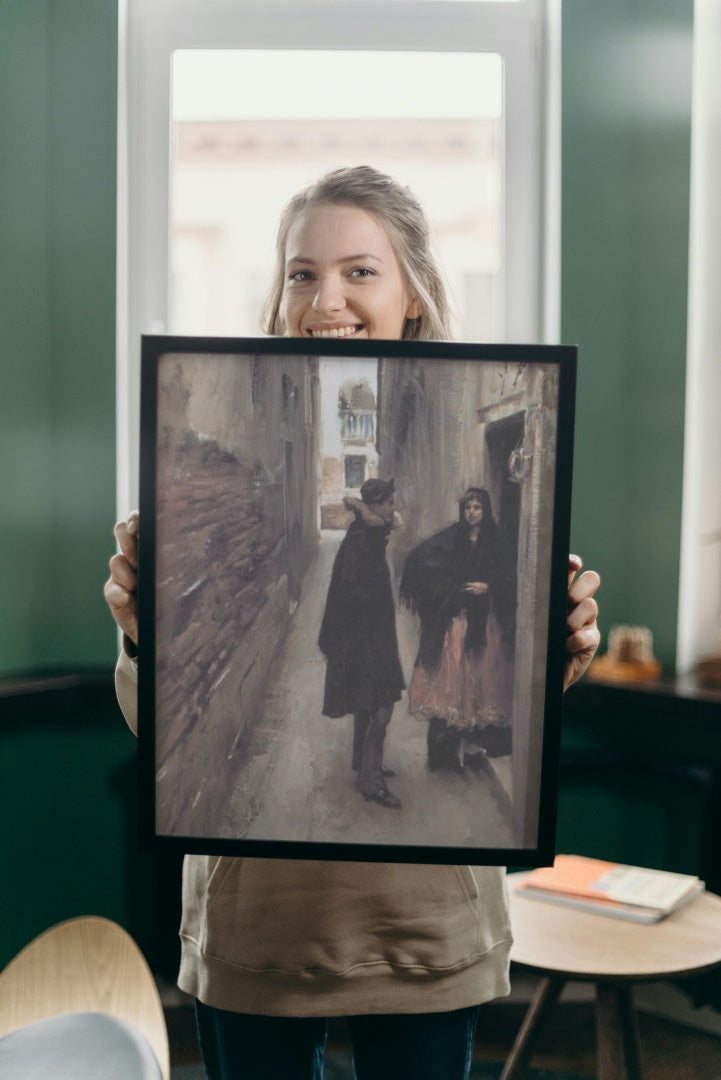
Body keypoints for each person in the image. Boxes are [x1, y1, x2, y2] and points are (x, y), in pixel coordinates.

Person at [105, 166, 601, 1080]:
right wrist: (144, 640)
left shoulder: (451, 506)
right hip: (258, 931)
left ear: (412, 293)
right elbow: (154, 730)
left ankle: (371, 770)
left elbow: (516, 681)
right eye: (301, 273)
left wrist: (558, 654)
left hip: (424, 929)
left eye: (359, 271)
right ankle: (369, 767)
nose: (324, 297)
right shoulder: (328, 519)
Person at [400, 487, 514, 771]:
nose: (472, 512)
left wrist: (488, 587)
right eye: (468, 508)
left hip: (484, 623)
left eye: (477, 507)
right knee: (451, 683)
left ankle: (475, 752)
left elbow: (509, 575)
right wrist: (451, 591)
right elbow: (422, 558)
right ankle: (444, 756)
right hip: (457, 622)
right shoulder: (453, 537)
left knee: (479, 683)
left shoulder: (497, 541)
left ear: (485, 511)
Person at [318, 476, 404, 808]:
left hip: (372, 637)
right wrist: (374, 605)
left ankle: (363, 763)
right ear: (377, 505)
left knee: (367, 703)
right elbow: (352, 591)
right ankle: (370, 781)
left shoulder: (369, 533)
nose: (394, 506)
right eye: (390, 502)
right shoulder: (360, 542)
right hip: (365, 640)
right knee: (380, 707)